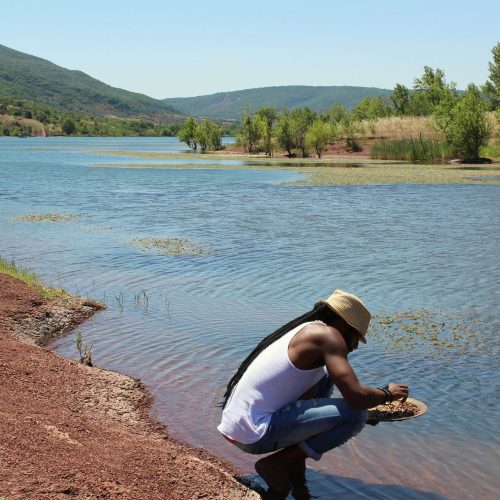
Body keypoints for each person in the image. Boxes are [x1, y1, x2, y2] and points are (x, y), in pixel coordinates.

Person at [218, 289, 409, 498]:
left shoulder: (306, 330)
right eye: (355, 337)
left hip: (238, 429)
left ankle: (296, 476)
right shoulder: (328, 336)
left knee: (326, 378)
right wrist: (387, 394)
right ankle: (274, 466)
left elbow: (308, 402)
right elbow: (355, 396)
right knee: (356, 414)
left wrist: (363, 406)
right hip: (255, 433)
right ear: (344, 325)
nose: (354, 346)